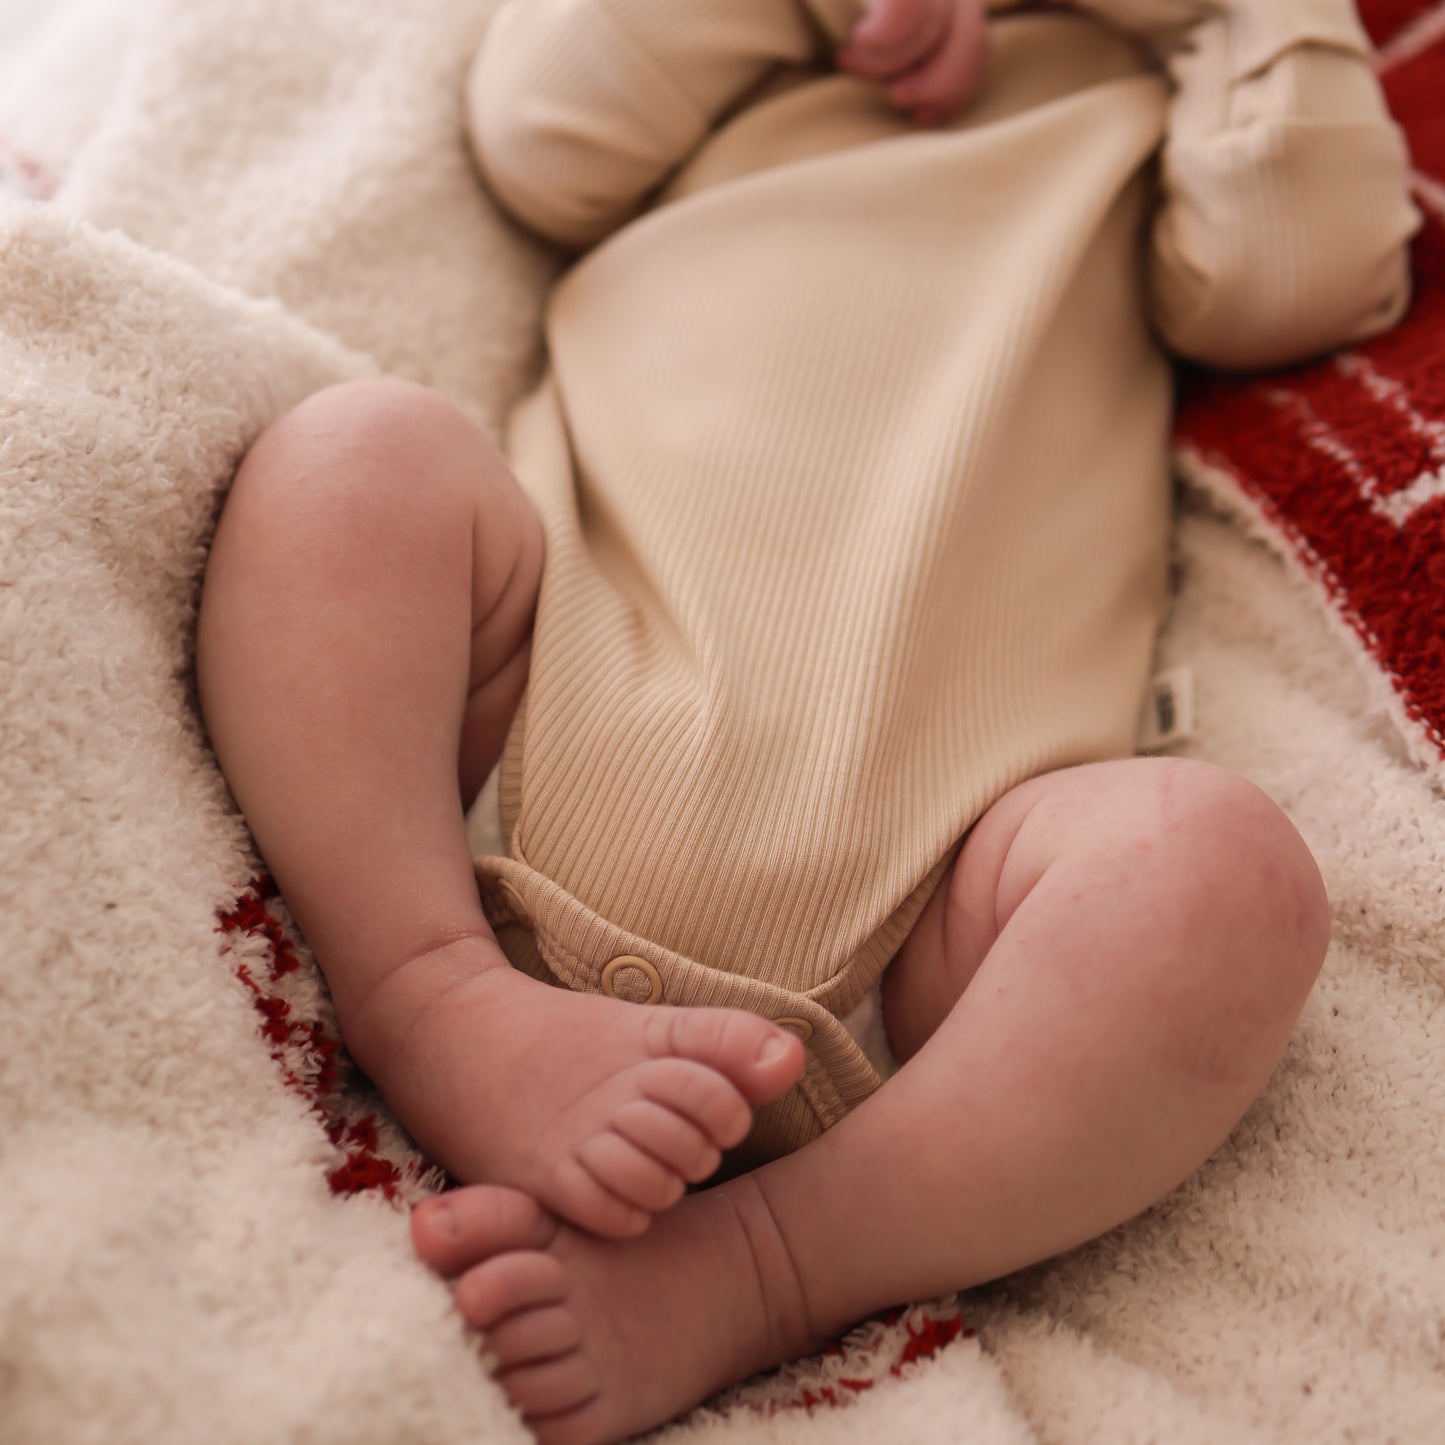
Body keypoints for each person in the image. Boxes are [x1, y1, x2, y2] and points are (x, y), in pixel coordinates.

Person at [194, 0, 1417, 1438]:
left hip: (926, 944)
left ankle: (765, 1263)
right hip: (535, 702)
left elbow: (1297, 271)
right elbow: (544, 134)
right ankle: (429, 992)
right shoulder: (747, 50)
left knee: (1216, 871)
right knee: (356, 461)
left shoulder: (1164, 96)